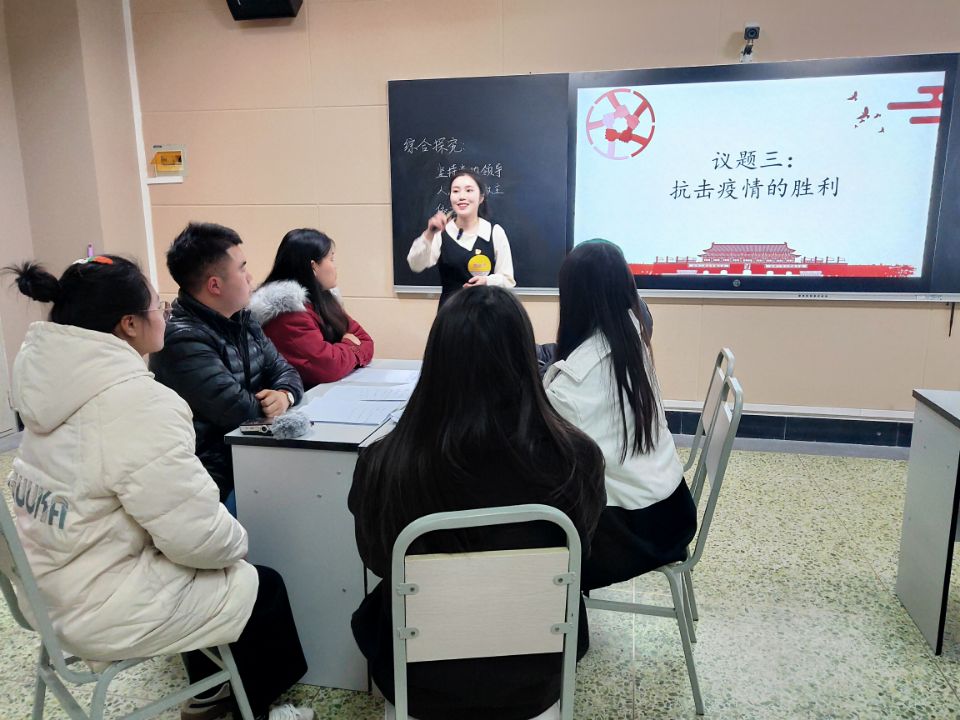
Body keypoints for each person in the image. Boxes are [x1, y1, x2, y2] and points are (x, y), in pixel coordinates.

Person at [3, 256, 312, 720]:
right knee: (258, 584)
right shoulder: (137, 402)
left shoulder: (47, 386)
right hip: (100, 606)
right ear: (128, 324)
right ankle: (257, 708)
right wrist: (237, 543)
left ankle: (211, 694)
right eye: (157, 306)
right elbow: (200, 539)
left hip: (46, 593)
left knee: (195, 559)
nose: (166, 314)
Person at [348, 286, 606, 720]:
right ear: (526, 359)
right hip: (537, 676)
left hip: (419, 681)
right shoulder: (576, 459)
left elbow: (377, 559)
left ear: (436, 362)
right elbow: (582, 554)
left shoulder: (385, 464)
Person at [543, 241, 697, 592]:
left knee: (533, 529)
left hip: (634, 532)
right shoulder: (633, 333)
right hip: (673, 507)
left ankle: (556, 616)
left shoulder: (569, 389)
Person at [149, 222, 304, 505]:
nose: (250, 277)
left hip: (249, 458)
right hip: (211, 479)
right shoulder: (182, 340)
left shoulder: (243, 320)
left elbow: (286, 371)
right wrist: (271, 403)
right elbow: (240, 412)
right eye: (242, 269)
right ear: (215, 285)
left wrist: (284, 395)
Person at [249, 228, 374, 388]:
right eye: (331, 259)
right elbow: (327, 366)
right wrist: (352, 346)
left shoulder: (324, 299)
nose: (335, 267)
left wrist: (340, 351)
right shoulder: (287, 312)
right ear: (314, 267)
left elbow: (365, 340)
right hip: (301, 397)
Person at [407, 169, 516, 307]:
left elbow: (508, 280)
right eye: (456, 191)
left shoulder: (494, 232)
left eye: (469, 190)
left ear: (481, 197)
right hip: (451, 313)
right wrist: (429, 234)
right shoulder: (441, 232)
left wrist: (487, 281)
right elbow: (415, 265)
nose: (462, 196)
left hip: (487, 313)